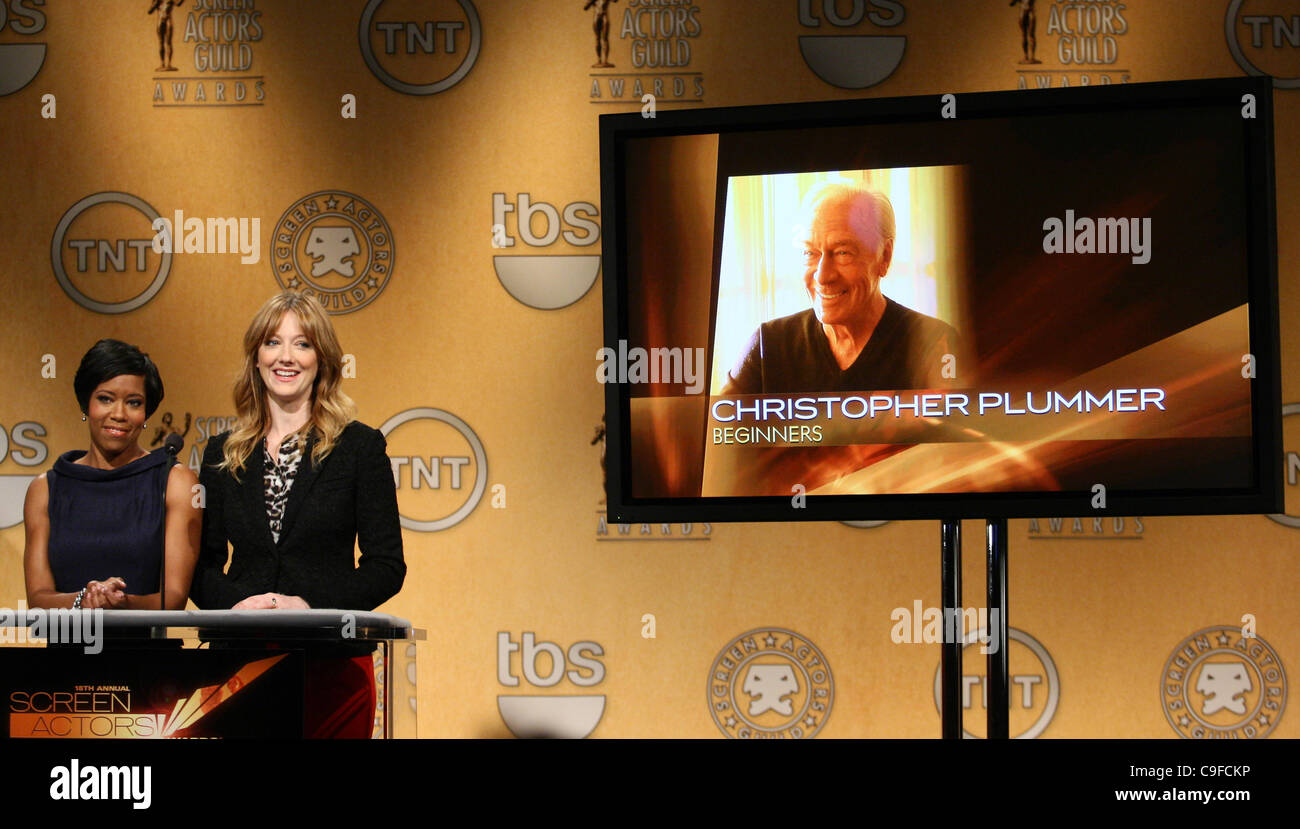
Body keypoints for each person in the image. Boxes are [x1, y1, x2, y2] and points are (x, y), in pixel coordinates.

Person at [190, 292, 405, 611]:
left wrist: (310, 606)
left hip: (325, 649)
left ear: (322, 359)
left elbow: (386, 567)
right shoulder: (223, 452)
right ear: (256, 356)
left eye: (302, 344)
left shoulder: (359, 447)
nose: (285, 357)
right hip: (242, 650)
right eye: (273, 342)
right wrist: (237, 607)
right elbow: (200, 566)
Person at [722, 182, 961, 396]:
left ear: (884, 257)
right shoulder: (768, 346)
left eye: (842, 252)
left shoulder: (935, 344)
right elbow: (715, 437)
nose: (823, 276)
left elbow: (960, 441)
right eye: (810, 253)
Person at [24, 340, 200, 610]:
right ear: (86, 405)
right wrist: (87, 598)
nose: (119, 414)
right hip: (64, 649)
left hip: (144, 650)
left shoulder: (176, 482)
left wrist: (120, 602)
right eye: (105, 399)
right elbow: (38, 600)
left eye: (133, 402)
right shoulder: (46, 488)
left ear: (146, 413)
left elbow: (173, 599)